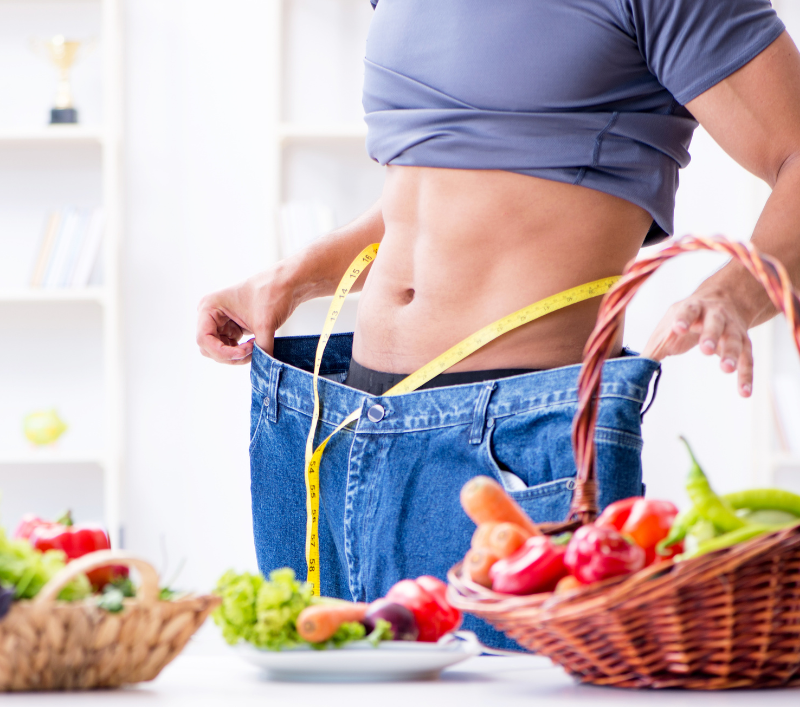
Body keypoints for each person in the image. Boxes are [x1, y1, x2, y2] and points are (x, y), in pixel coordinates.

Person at [197, 0, 800, 646]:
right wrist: (293, 277)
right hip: (341, 427)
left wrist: (734, 293)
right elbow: (443, 184)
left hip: (516, 453)